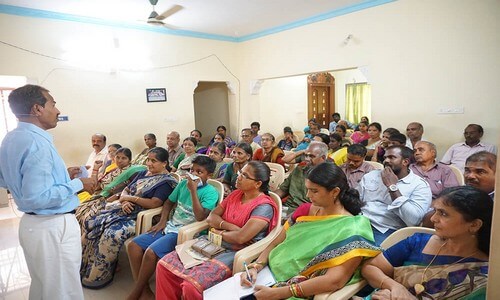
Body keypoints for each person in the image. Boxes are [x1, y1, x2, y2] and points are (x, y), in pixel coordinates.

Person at [0, 84, 96, 299]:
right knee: (63, 290)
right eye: (53, 103)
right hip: (52, 225)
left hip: (33, 227)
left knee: (45, 287)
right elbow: (37, 197)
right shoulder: (37, 144)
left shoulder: (11, 138)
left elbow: (7, 178)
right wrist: (79, 184)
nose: (58, 110)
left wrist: (62, 175)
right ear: (37, 109)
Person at [239, 162, 381, 299]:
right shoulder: (306, 210)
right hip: (266, 277)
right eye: (307, 189)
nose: (307, 195)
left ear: (335, 192)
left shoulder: (352, 229)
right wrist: (257, 266)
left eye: (314, 191)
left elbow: (335, 280)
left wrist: (280, 293)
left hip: (297, 291)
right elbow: (276, 243)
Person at [155, 161, 280, 299]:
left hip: (236, 251)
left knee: (191, 285)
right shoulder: (235, 194)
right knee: (164, 266)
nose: (238, 176)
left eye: (245, 175)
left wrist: (218, 231)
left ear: (258, 184)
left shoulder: (264, 207)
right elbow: (211, 217)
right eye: (240, 173)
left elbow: (241, 238)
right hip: (213, 241)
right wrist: (229, 227)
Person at [361, 186, 492, 300]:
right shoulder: (418, 242)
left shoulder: (487, 274)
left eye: (443, 214)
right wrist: (395, 287)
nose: (434, 218)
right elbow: (370, 267)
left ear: (474, 225)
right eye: (435, 211)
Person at [80, 147, 177, 289]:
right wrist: (125, 201)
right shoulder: (144, 173)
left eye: (154, 161)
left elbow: (154, 203)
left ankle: (100, 274)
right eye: (148, 159)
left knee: (112, 233)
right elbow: (127, 188)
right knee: (93, 221)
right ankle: (85, 268)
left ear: (164, 163)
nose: (149, 163)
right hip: (124, 209)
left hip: (139, 216)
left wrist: (131, 199)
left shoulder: (166, 182)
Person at [126, 156, 219, 300]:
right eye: (192, 170)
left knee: (151, 253)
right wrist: (163, 221)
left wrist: (193, 191)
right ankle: (144, 289)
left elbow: (201, 216)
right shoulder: (182, 185)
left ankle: (136, 292)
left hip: (187, 232)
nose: (194, 174)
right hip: (170, 226)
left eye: (199, 172)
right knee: (133, 246)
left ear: (209, 175)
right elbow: (169, 202)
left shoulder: (210, 192)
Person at [357, 145, 432, 245]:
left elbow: (413, 220)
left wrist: (392, 186)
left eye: (392, 157)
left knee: (361, 252)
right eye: (385, 158)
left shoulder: (419, 185)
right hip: (360, 222)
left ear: (405, 162)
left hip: (387, 229)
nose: (386, 161)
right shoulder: (371, 175)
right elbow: (356, 202)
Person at [411, 141, 460, 228]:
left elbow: (452, 192)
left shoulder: (445, 170)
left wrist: (436, 204)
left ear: (432, 153)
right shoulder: (409, 168)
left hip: (435, 207)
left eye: (421, 150)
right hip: (412, 205)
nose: (417, 153)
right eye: (415, 151)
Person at [276, 141, 328, 211]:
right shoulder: (299, 169)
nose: (307, 159)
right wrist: (269, 199)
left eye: (311, 156)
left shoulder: (328, 176)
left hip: (309, 213)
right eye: (306, 155)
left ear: (323, 158)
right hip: (288, 207)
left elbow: (323, 206)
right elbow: (282, 190)